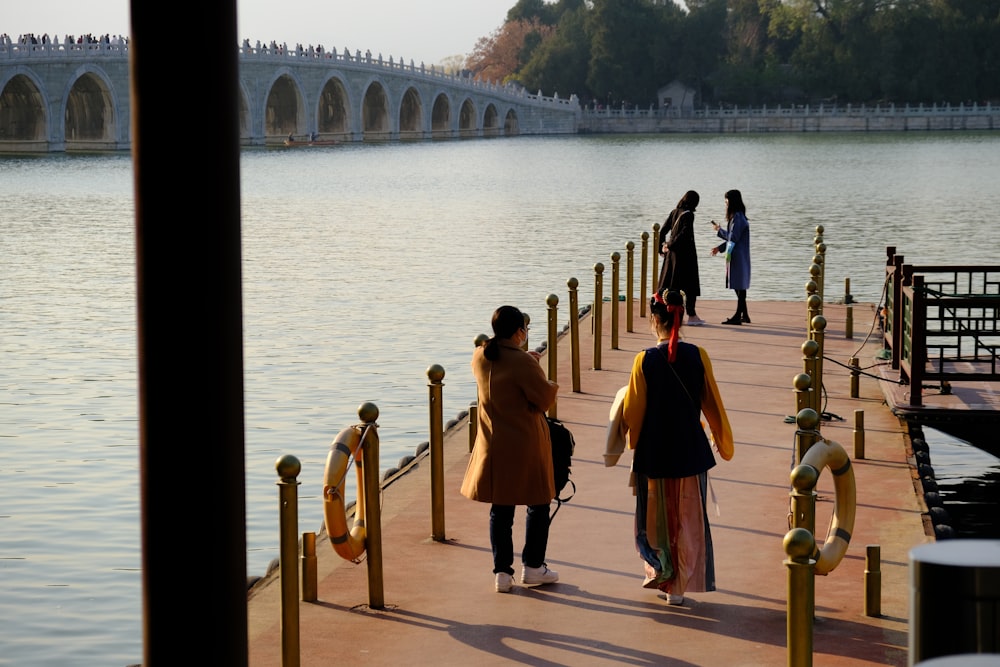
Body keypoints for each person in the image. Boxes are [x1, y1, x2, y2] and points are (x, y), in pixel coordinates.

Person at [619, 289, 734, 605]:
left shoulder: (644, 360)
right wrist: (723, 443)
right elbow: (713, 404)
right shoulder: (698, 355)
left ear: (655, 319)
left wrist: (631, 442)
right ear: (680, 317)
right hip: (690, 449)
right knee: (687, 518)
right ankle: (680, 586)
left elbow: (633, 411)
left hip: (654, 452)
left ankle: (662, 575)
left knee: (656, 518)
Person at [461, 305, 560, 593]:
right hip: (525, 442)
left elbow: (502, 369)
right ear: (519, 332)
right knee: (538, 503)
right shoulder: (523, 363)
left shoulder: (481, 355)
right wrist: (540, 372)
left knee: (501, 509)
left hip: (493, 443)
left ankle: (502, 573)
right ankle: (533, 566)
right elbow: (543, 398)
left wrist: (523, 361)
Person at [657, 190, 705, 325]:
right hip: (686, 255)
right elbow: (684, 234)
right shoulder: (688, 215)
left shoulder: (674, 212)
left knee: (673, 284)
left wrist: (662, 247)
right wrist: (670, 245)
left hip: (672, 256)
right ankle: (691, 315)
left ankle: (671, 314)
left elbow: (663, 230)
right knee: (690, 286)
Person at [711, 190, 752, 325]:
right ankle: (744, 314)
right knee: (738, 286)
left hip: (738, 256)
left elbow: (733, 237)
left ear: (732, 202)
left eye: (726, 202)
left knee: (739, 287)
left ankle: (738, 316)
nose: (725, 205)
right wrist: (720, 248)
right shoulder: (736, 217)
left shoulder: (738, 217)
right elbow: (732, 238)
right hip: (735, 254)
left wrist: (719, 231)